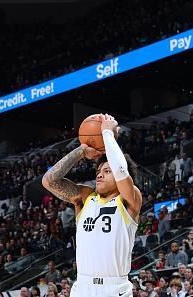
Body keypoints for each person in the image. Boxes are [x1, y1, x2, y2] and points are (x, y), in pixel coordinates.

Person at [42, 114, 142, 297]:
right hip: (82, 286)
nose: (100, 175)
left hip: (114, 287)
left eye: (106, 171)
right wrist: (81, 151)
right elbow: (49, 181)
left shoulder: (129, 198)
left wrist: (107, 133)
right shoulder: (86, 197)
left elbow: (121, 170)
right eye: (98, 171)